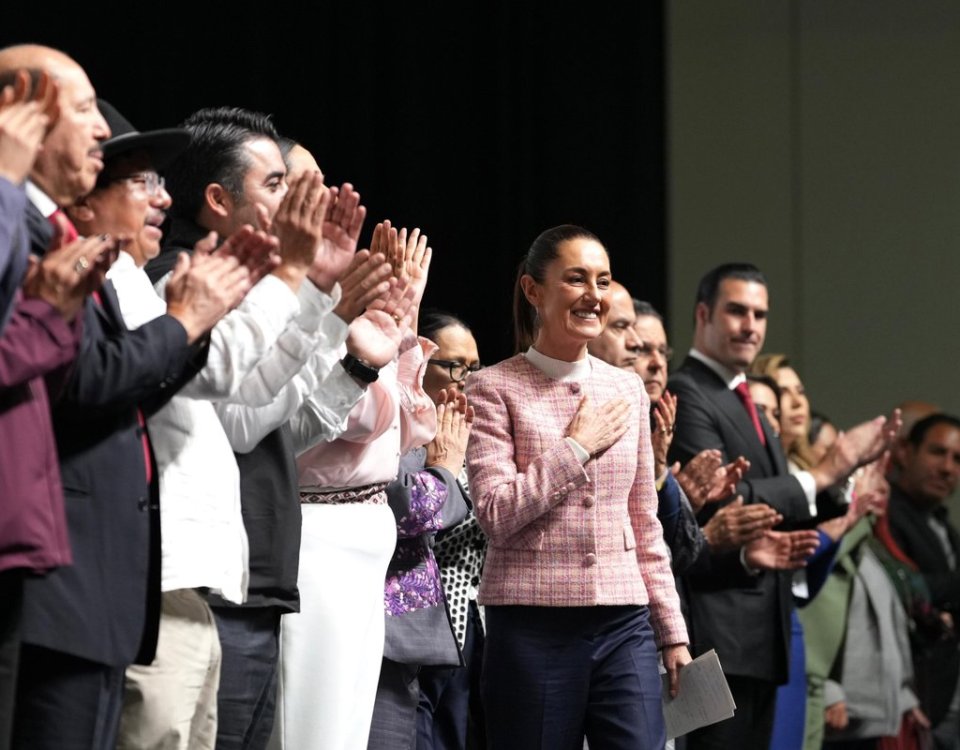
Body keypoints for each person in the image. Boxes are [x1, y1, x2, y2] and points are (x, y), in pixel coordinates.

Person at [0, 44, 253, 750]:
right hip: (54, 573)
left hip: (100, 583)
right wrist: (189, 321)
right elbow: (84, 382)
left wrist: (190, 324)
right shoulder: (28, 229)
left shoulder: (78, 251)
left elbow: (135, 391)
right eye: (83, 110)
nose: (100, 131)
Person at [466, 224, 689, 749]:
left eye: (603, 280)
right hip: (531, 627)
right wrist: (576, 449)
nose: (594, 295)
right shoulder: (493, 388)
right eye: (576, 279)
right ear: (533, 291)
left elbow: (643, 520)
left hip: (624, 621)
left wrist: (672, 630)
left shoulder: (627, 388)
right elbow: (495, 512)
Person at [667, 263, 897, 750]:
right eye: (736, 311)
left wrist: (842, 483)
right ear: (703, 314)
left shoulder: (744, 395)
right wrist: (828, 470)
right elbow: (728, 503)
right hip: (718, 640)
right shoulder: (689, 391)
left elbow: (781, 501)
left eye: (760, 314)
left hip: (760, 640)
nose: (750, 325)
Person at [280, 220, 434, 750]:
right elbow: (357, 420)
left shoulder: (372, 329)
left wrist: (404, 331)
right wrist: (380, 335)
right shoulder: (321, 324)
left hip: (367, 539)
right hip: (319, 534)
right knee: (312, 714)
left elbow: (408, 435)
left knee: (349, 721)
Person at [415, 310, 487, 750]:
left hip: (480, 624)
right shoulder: (402, 436)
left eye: (475, 369)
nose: (467, 380)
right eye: (456, 366)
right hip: (424, 626)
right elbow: (421, 522)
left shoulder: (481, 436)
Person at [887, 414, 960, 749]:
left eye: (958, 459)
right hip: (916, 696)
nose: (948, 468)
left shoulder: (944, 525)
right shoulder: (884, 513)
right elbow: (906, 589)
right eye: (937, 452)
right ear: (905, 452)